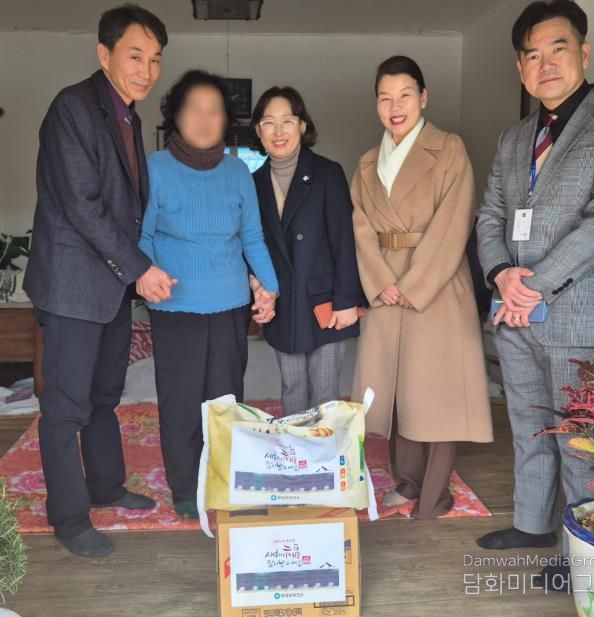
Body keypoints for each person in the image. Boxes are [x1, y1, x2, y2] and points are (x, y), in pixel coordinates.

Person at [476, 0, 594, 591]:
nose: (545, 64)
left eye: (558, 49)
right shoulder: (514, 137)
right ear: (520, 67)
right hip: (513, 309)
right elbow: (491, 215)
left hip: (578, 314)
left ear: (584, 53)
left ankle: (586, 555)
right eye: (532, 55)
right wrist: (502, 274)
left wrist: (533, 284)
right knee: (527, 426)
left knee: (579, 440)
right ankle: (532, 525)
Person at [23, 4, 171, 557]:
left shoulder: (128, 116)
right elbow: (83, 205)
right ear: (104, 54)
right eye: (136, 56)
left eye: (155, 59)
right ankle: (69, 518)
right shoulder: (73, 107)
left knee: (105, 395)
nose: (147, 70)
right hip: (72, 286)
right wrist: (140, 268)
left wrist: (135, 268)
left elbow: (128, 208)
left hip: (108, 286)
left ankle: (106, 486)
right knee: (65, 406)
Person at [351, 56, 494, 519]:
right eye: (385, 98)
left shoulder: (448, 148)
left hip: (434, 282)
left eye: (405, 96)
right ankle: (406, 481)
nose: (395, 107)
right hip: (386, 285)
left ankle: (434, 493)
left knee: (436, 392)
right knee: (398, 389)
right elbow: (360, 228)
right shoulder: (367, 162)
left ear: (423, 98)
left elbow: (454, 221)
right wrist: (380, 282)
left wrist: (412, 285)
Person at [139, 71, 279, 518]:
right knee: (180, 399)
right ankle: (184, 486)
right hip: (174, 306)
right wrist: (145, 272)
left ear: (226, 120)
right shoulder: (154, 168)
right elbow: (141, 235)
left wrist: (270, 287)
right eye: (194, 109)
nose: (204, 119)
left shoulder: (238, 172)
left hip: (229, 306)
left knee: (225, 399)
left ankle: (222, 478)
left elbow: (252, 236)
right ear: (176, 116)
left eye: (214, 111)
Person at [249, 87, 363, 415]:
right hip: (283, 303)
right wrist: (258, 288)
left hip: (324, 302)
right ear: (258, 131)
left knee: (325, 390)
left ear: (302, 126)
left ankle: (325, 449)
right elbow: (250, 244)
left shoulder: (327, 173)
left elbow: (344, 241)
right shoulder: (253, 183)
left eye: (287, 121)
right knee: (293, 387)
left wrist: (347, 301)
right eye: (269, 122)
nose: (279, 131)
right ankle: (297, 447)